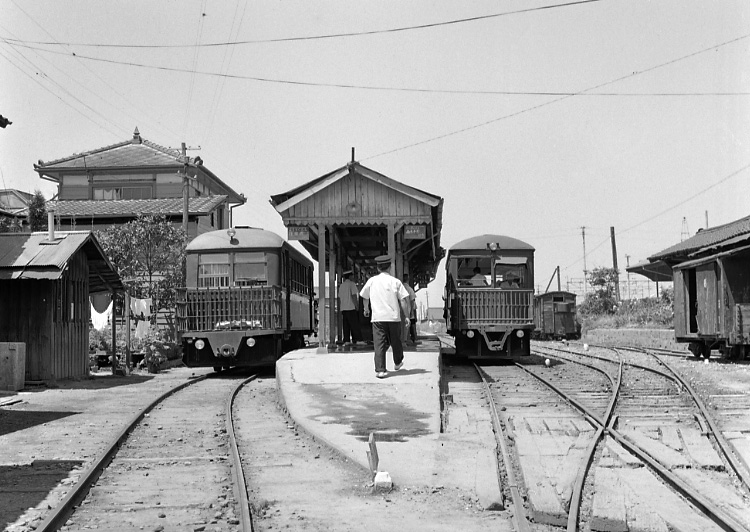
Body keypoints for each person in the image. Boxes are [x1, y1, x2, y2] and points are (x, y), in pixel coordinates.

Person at [360, 255, 410, 378]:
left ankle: (380, 370)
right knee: (396, 340)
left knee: (379, 343)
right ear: (390, 267)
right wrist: (407, 316)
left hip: (378, 318)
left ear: (378, 268)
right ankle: (398, 362)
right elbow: (403, 300)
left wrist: (366, 309)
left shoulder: (371, 281)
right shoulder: (395, 282)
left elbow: (365, 297)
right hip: (393, 317)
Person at [338, 269, 363, 345]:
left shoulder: (341, 286)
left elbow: (339, 297)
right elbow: (354, 295)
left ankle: (347, 340)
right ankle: (358, 340)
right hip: (351, 307)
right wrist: (357, 305)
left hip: (344, 308)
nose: (353, 277)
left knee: (346, 325)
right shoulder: (352, 284)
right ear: (350, 276)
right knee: (354, 324)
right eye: (352, 275)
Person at [402, 274, 417, 345]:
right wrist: (411, 312)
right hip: (407, 310)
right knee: (408, 326)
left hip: (397, 310)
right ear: (408, 280)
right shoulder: (410, 289)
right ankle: (406, 340)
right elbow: (412, 301)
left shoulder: (399, 287)